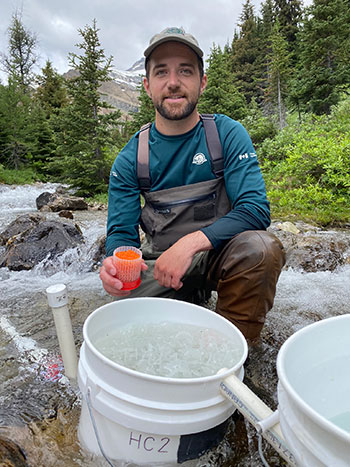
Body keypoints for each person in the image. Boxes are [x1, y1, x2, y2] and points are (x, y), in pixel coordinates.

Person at [100, 27, 285, 343]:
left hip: (218, 255)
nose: (173, 82)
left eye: (185, 71)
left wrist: (189, 244)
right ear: (147, 86)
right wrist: (117, 261)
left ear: (202, 81)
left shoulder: (226, 134)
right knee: (122, 330)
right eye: (162, 72)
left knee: (261, 249)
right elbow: (121, 232)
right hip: (159, 263)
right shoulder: (131, 157)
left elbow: (255, 210)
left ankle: (232, 354)